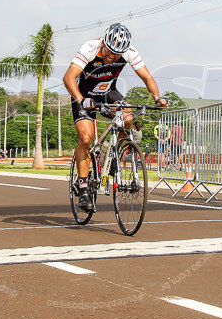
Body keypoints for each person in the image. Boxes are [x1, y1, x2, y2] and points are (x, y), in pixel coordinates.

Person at [62, 23, 168, 209]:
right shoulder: (90, 48)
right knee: (85, 138)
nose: (113, 57)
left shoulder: (129, 52)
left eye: (117, 55)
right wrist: (80, 100)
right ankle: (83, 185)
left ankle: (111, 154)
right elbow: (69, 77)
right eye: (110, 52)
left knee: (128, 117)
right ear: (104, 44)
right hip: (84, 95)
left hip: (107, 93)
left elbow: (147, 77)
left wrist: (157, 97)